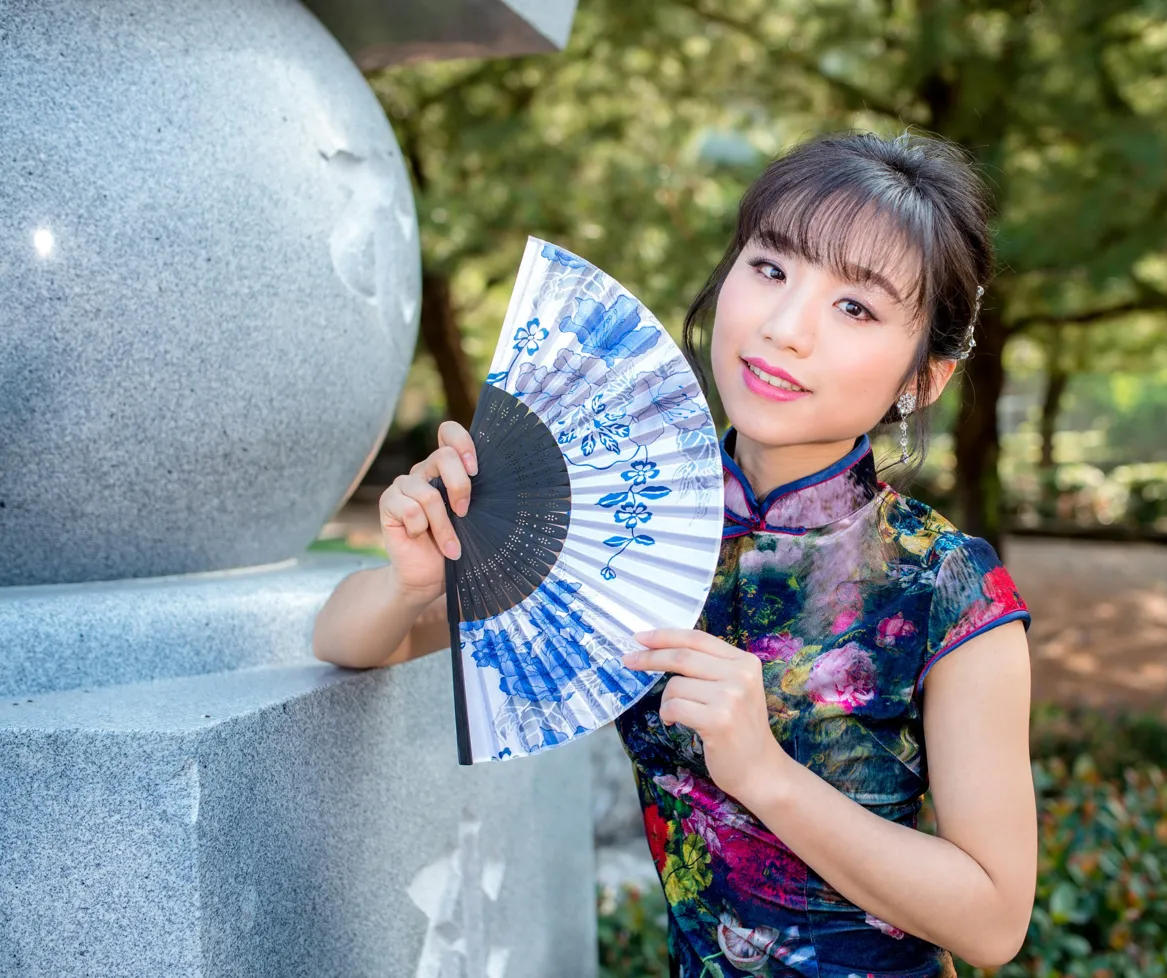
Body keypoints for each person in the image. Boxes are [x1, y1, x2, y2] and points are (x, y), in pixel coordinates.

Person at [313, 130, 1037, 977]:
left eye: (856, 308)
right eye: (770, 268)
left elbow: (993, 923)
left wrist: (763, 773)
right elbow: (347, 642)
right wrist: (410, 583)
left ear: (923, 380)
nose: (784, 327)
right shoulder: (621, 521)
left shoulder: (942, 583)